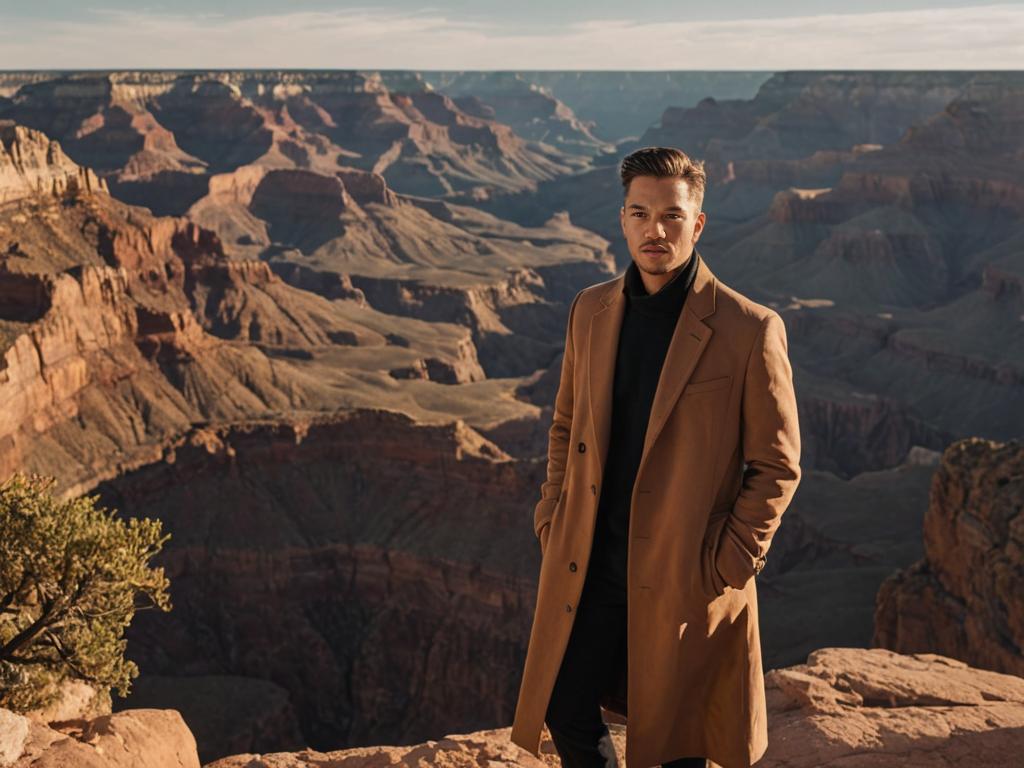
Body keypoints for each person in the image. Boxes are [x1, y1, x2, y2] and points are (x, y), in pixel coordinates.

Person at [509, 147, 802, 768]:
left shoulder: (748, 329)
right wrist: (551, 516)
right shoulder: (590, 310)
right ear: (622, 220)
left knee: (675, 741)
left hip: (684, 571)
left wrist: (728, 561)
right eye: (640, 213)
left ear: (698, 225)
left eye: (672, 216)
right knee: (564, 707)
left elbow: (777, 464)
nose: (655, 230)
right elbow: (565, 425)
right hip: (589, 562)